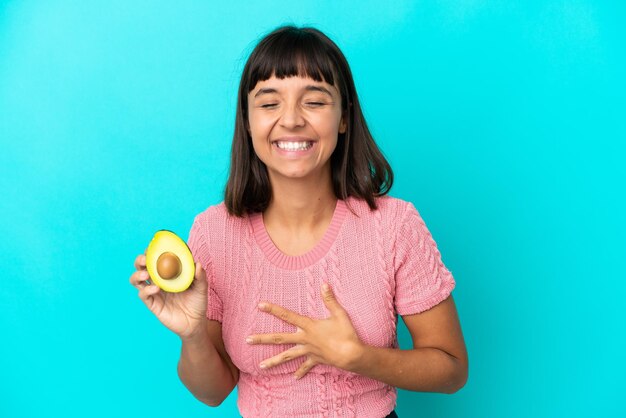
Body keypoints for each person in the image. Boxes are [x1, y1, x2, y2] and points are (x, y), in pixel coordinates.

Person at [130, 25, 468, 418]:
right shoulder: (213, 232)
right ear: (247, 120)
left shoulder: (394, 225)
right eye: (269, 103)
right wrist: (192, 336)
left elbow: (452, 369)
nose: (290, 120)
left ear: (344, 118)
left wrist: (359, 357)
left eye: (315, 101)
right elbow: (212, 392)